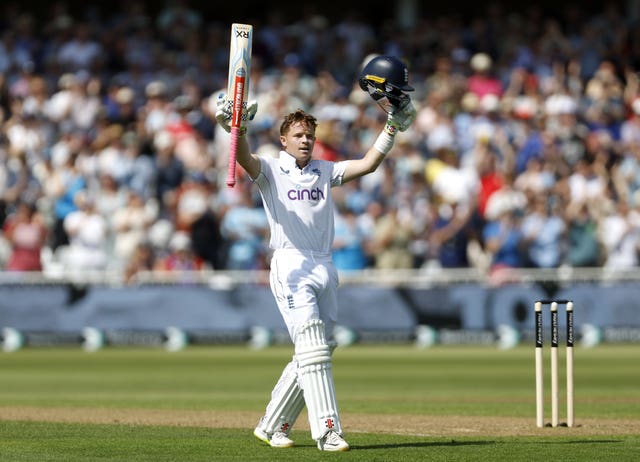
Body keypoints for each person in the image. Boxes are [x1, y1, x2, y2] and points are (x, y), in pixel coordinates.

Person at [215, 55, 416, 452]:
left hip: (325, 264)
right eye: (298, 135)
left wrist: (392, 125)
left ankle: (273, 424)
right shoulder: (272, 170)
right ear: (284, 140)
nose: (306, 140)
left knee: (320, 348)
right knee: (312, 346)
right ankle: (327, 431)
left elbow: (370, 164)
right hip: (290, 264)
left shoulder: (325, 171)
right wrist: (234, 129)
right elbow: (244, 159)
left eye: (310, 135)